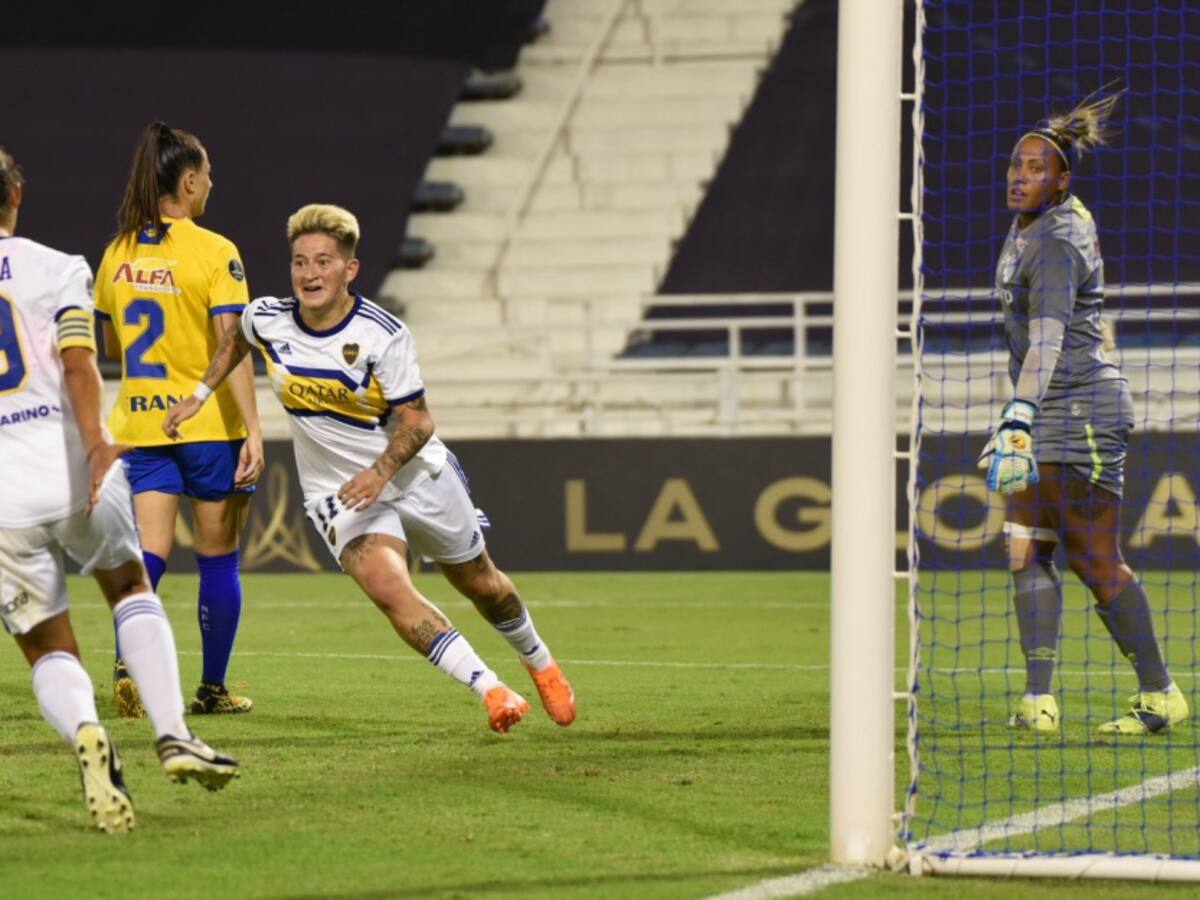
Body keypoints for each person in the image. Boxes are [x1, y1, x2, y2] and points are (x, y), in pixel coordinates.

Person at [163, 204, 576, 733]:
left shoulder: (383, 335)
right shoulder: (267, 316)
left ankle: (538, 660)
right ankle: (491, 689)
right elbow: (235, 339)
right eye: (299, 262)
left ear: (349, 270)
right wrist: (199, 395)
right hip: (337, 492)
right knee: (388, 588)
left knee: (482, 584)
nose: (309, 274)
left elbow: (419, 421)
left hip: (413, 476)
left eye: (323, 262)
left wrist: (380, 473)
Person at [0, 146, 238, 833]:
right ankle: (172, 732)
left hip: (5, 492)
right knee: (131, 587)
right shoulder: (58, 266)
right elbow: (79, 364)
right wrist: (97, 442)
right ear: (15, 194)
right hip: (76, 463)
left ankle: (85, 731)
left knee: (49, 647)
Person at [979, 91, 1189, 735]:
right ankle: (1039, 701)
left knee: (1092, 558)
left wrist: (1016, 413)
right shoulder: (1032, 227)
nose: (1020, 175)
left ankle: (1162, 695)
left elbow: (1046, 338)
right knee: (1025, 548)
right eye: (1017, 163)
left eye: (1036, 167)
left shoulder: (1056, 242)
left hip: (1084, 412)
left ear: (1063, 179)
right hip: (1048, 409)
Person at [95, 121, 263, 717]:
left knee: (150, 551)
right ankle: (212, 689)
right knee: (218, 557)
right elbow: (232, 346)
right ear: (189, 181)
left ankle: (125, 662)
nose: (212, 183)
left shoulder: (116, 253)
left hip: (140, 425)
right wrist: (254, 429)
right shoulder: (216, 251)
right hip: (208, 426)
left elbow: (113, 349)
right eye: (208, 174)